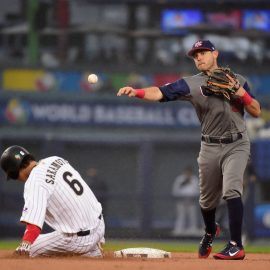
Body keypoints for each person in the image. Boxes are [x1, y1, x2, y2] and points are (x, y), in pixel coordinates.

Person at [117, 40, 261, 260]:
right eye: (195, 55)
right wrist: (136, 91)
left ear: (215, 54)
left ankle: (236, 245)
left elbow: (256, 111)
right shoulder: (190, 84)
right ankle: (211, 230)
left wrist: (240, 92)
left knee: (232, 189)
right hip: (210, 145)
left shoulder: (239, 80)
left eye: (203, 53)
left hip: (237, 143)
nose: (199, 57)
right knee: (206, 201)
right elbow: (160, 92)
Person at [0, 145, 105, 258]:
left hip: (79, 240)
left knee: (28, 251)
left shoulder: (34, 181)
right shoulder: (55, 159)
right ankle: (93, 253)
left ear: (14, 172)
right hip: (99, 225)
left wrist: (25, 246)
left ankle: (86, 251)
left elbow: (33, 226)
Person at [171, 166, 200, 236]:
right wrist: (183, 184)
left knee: (192, 217)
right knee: (181, 217)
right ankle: (178, 232)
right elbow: (175, 191)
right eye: (186, 172)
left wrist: (192, 198)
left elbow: (198, 191)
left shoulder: (194, 179)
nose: (188, 173)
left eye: (189, 172)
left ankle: (192, 232)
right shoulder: (180, 179)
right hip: (181, 202)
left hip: (191, 202)